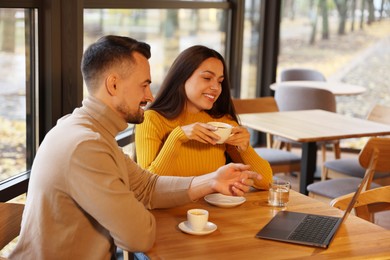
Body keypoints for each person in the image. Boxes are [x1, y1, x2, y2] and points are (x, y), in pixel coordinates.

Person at [9, 36, 261, 260]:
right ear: (113, 85)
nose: (150, 96)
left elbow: (146, 186)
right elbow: (138, 238)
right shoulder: (86, 146)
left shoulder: (87, 130)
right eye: (144, 85)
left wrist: (213, 180)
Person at [135, 45, 273, 190]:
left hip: (212, 211)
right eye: (207, 78)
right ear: (182, 77)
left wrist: (244, 148)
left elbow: (266, 182)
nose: (216, 87)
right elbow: (148, 188)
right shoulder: (151, 120)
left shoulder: (223, 123)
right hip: (169, 212)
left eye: (220, 81)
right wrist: (177, 137)